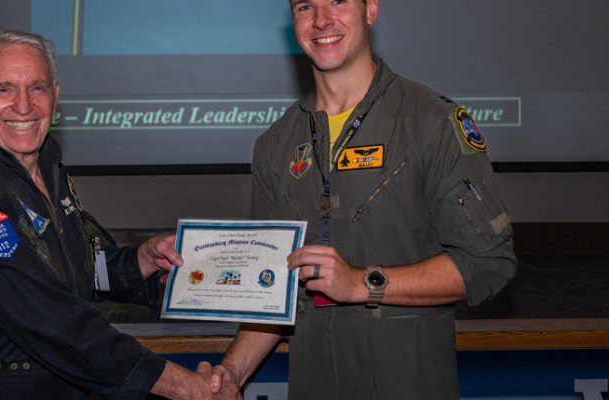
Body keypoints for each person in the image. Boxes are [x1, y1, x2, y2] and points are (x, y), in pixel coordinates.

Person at [208, 1, 516, 398]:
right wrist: (232, 372)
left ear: (371, 9)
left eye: (337, 1)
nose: (321, 20)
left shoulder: (430, 123)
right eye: (305, 6)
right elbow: (272, 292)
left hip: (407, 384)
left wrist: (364, 283)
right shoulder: (275, 145)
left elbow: (488, 262)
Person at [0, 30, 239, 400]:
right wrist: (185, 387)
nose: (24, 106)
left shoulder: (49, 171)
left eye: (37, 87)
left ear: (56, 94)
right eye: (4, 89)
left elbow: (77, 266)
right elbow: (49, 319)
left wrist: (139, 261)